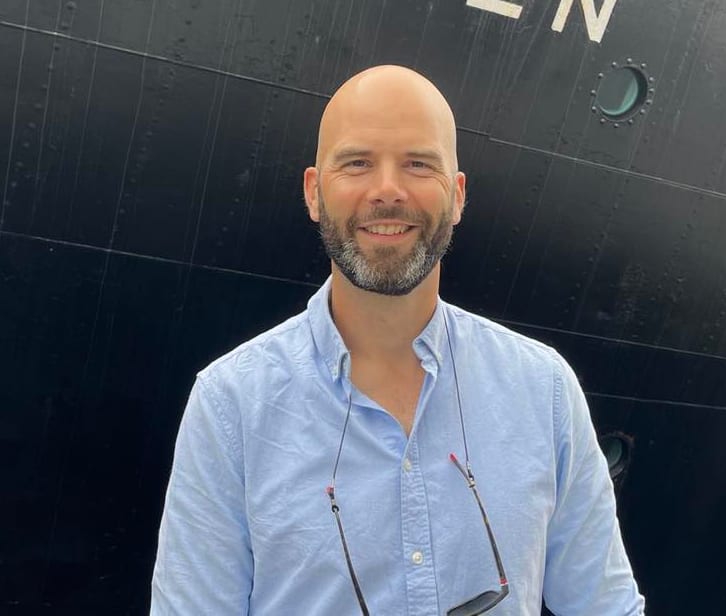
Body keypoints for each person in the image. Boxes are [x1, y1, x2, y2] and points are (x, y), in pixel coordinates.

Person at [150, 65, 645, 615]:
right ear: (314, 192)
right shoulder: (232, 405)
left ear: (457, 196)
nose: (387, 190)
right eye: (357, 163)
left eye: (418, 163)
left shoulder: (543, 390)